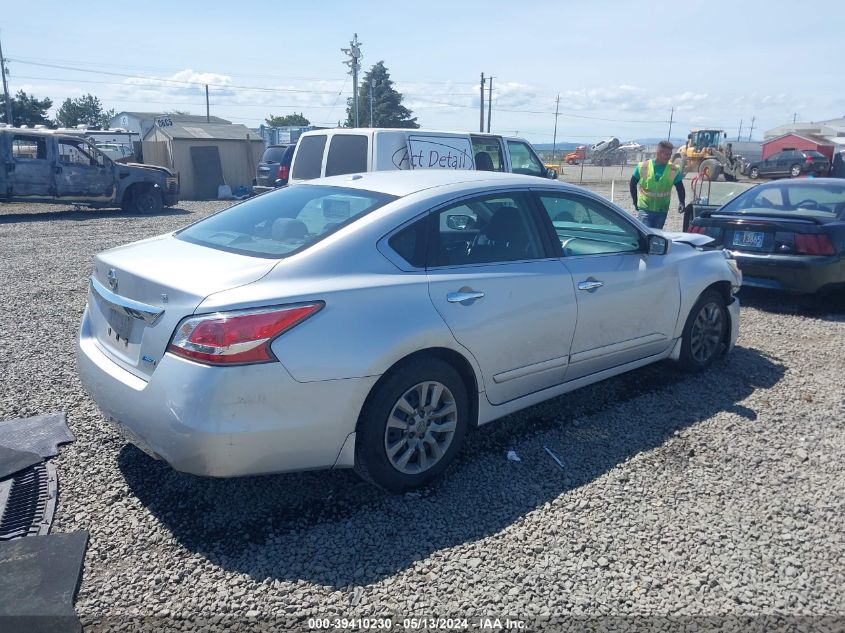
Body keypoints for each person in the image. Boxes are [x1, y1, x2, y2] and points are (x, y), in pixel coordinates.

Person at [630, 140, 686, 229]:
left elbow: (680, 188)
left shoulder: (673, 170)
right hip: (645, 210)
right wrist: (635, 201)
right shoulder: (643, 166)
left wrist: (682, 202)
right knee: (646, 236)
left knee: (657, 238)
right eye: (667, 154)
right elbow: (632, 184)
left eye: (670, 154)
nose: (669, 157)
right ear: (658, 153)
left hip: (662, 211)